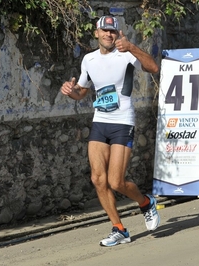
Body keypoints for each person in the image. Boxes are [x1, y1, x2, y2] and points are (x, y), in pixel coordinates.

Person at [60, 15, 160, 247]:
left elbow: (153, 67)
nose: (108, 35)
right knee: (97, 178)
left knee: (116, 182)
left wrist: (133, 47)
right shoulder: (89, 60)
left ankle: (146, 203)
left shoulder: (126, 54)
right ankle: (119, 229)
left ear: (117, 34)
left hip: (123, 121)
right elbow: (82, 92)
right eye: (104, 31)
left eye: (112, 31)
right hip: (100, 121)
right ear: (96, 33)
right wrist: (69, 90)